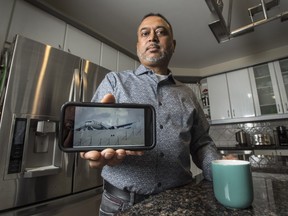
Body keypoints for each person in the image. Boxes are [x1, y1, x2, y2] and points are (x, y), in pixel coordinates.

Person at [80, 13, 222, 215]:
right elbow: (90, 135)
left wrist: (221, 172)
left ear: (172, 44)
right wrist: (95, 146)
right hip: (120, 205)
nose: (152, 38)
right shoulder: (114, 82)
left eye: (161, 32)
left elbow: (202, 143)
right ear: (138, 45)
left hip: (180, 201)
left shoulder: (188, 94)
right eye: (145, 33)